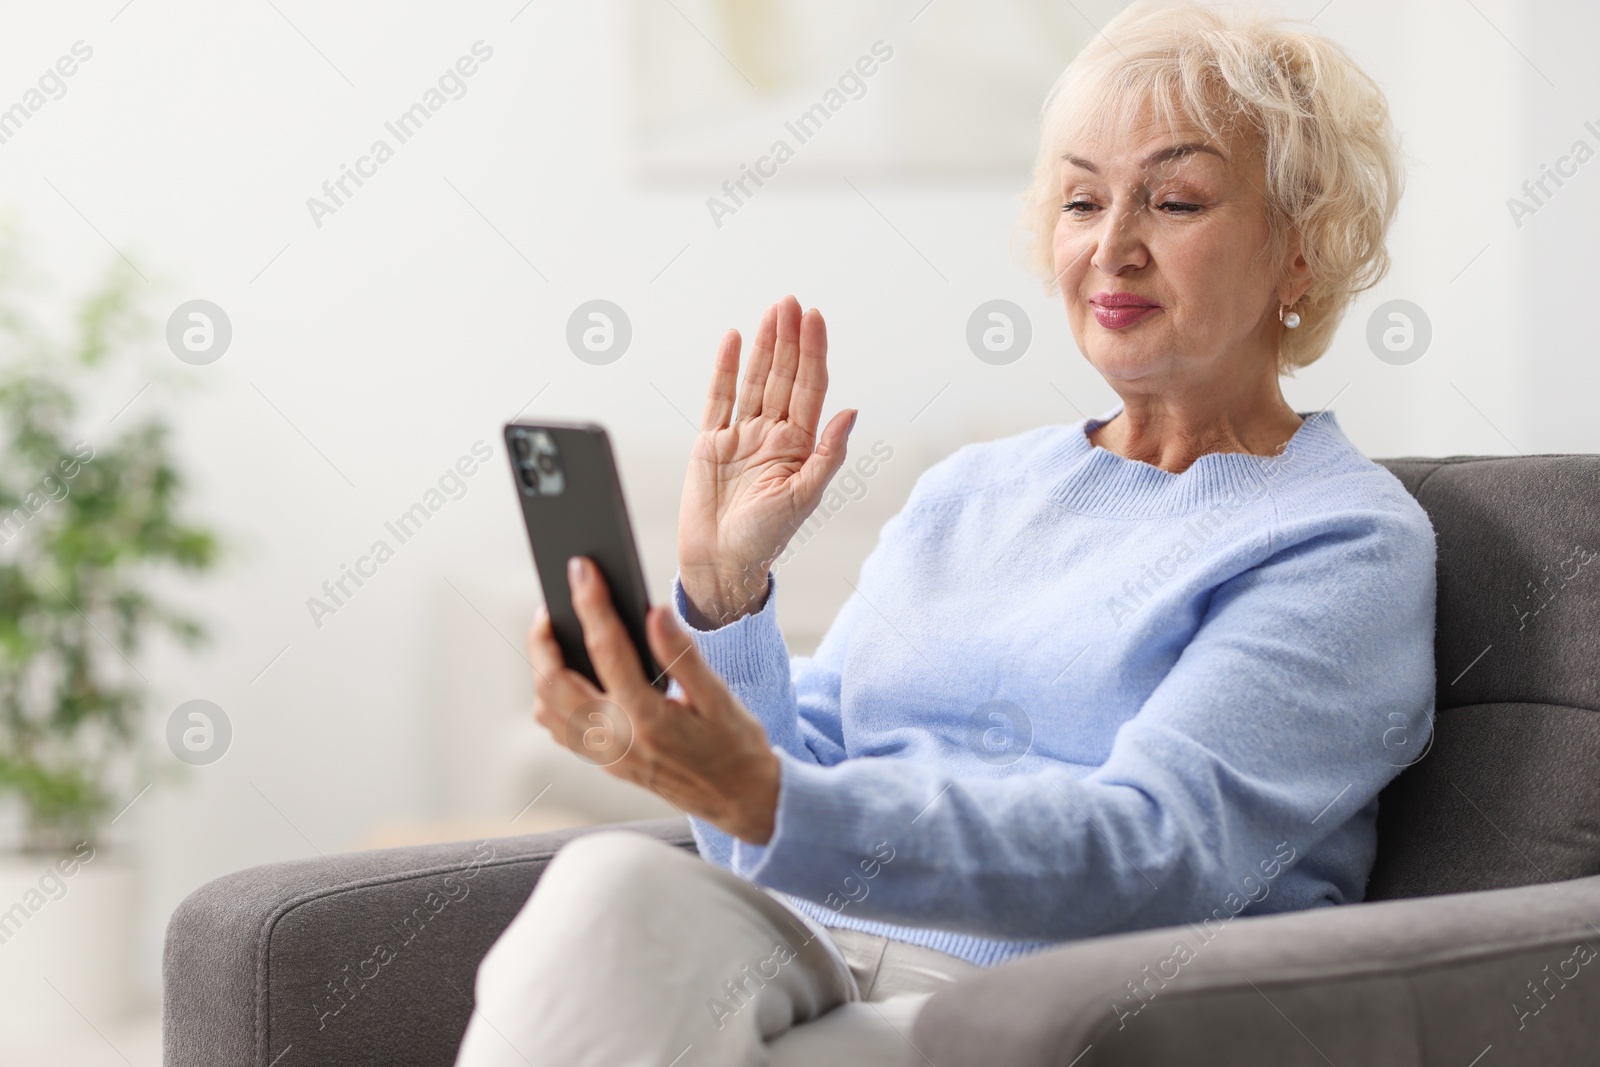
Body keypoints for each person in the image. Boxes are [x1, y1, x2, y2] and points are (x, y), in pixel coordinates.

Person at [454, 1, 1433, 1063]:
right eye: (1079, 199)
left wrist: (771, 797)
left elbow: (1156, 852)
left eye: (1176, 199)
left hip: (1063, 1010)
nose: (1111, 247)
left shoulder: (1342, 539)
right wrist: (726, 592)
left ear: (1301, 250)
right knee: (613, 878)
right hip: (811, 950)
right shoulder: (970, 489)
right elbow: (779, 819)